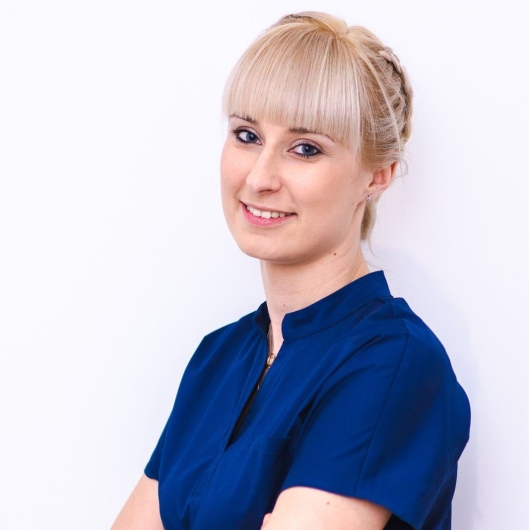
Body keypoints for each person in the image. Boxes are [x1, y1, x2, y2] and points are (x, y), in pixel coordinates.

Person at [112, 11, 470, 530]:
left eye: (305, 149)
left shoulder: (394, 364)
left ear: (378, 175)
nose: (260, 177)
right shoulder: (219, 357)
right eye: (246, 135)